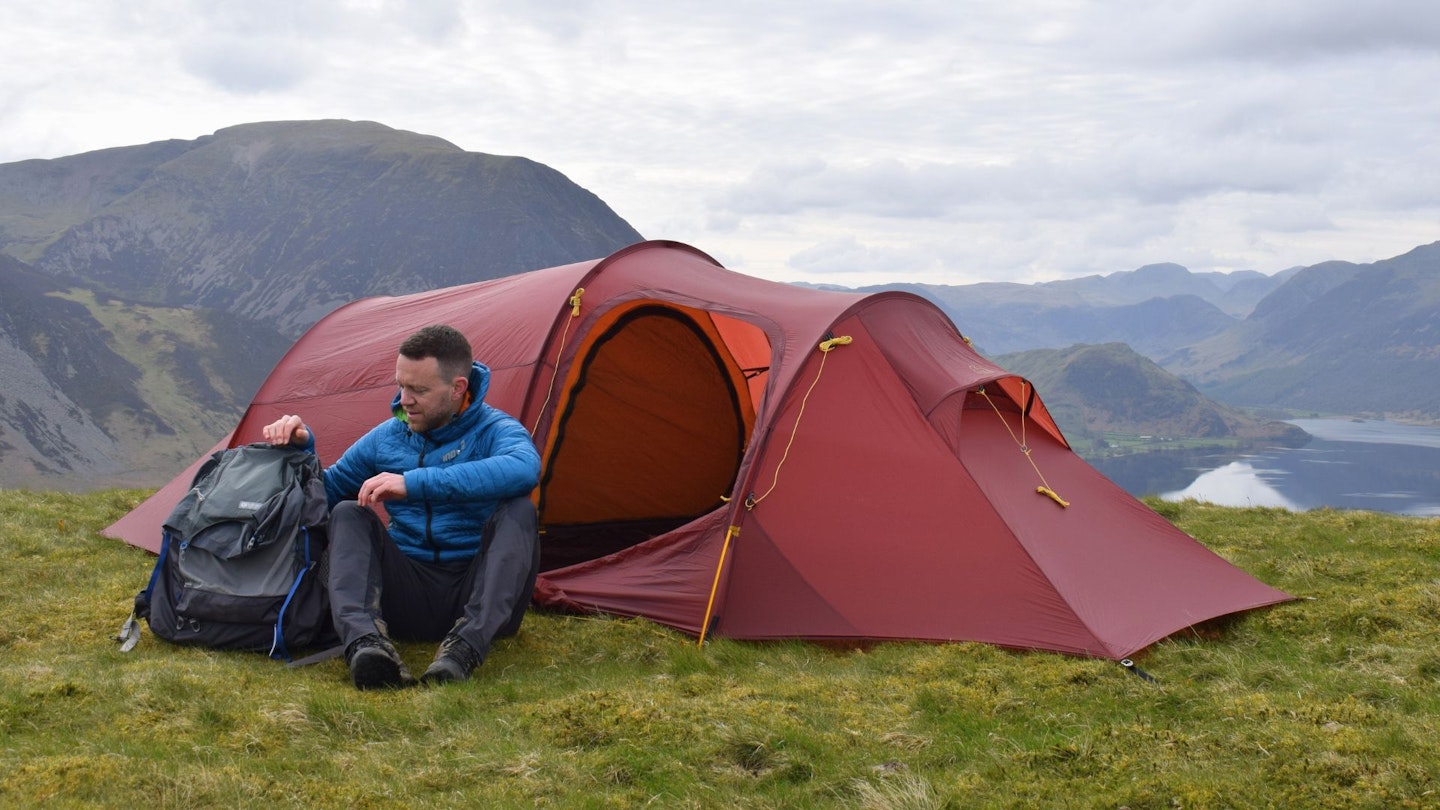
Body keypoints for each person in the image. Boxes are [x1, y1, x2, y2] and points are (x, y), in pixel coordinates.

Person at [262, 324, 542, 689]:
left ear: (458, 388)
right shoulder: (387, 438)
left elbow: (524, 468)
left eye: (419, 390)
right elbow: (325, 496)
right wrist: (301, 450)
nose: (404, 400)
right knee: (348, 513)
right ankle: (366, 645)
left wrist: (412, 483)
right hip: (407, 591)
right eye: (401, 385)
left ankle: (464, 650)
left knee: (520, 511)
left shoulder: (495, 430)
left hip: (478, 589)